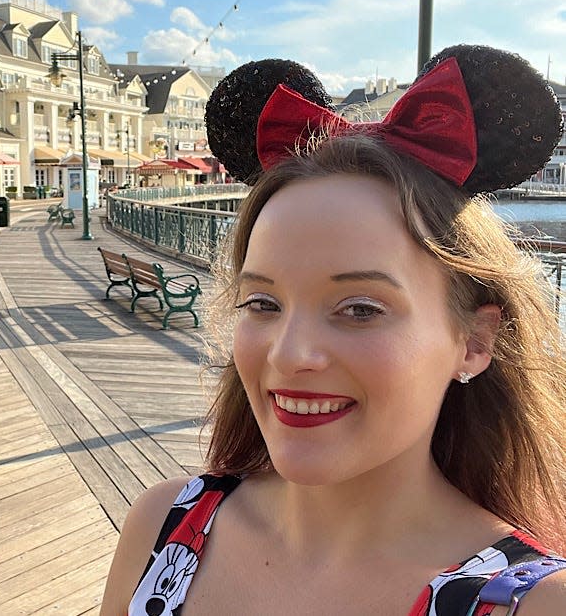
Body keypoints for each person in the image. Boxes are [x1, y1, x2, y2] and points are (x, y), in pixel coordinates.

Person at [101, 45, 566, 615]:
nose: (291, 353)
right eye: (263, 302)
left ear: (474, 342)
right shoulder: (158, 528)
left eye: (361, 309)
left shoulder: (535, 604)